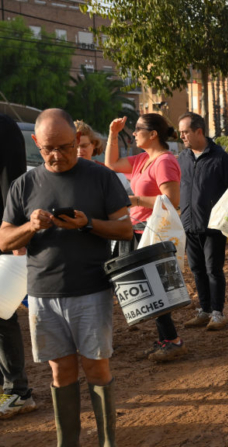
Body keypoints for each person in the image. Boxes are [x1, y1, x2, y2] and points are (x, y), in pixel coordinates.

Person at [0, 109, 132, 444]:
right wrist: (31, 226)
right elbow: (3, 239)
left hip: (91, 290)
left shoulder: (100, 177)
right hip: (43, 295)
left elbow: (126, 229)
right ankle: (67, 442)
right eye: (48, 149)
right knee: (60, 373)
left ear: (76, 141)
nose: (57, 155)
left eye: (64, 147)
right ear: (36, 144)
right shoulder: (24, 185)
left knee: (97, 369)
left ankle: (107, 442)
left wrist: (88, 223)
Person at [105, 114, 188, 362]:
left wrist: (136, 201)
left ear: (153, 134)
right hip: (137, 230)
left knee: (154, 288)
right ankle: (167, 339)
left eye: (138, 129)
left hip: (150, 233)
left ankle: (173, 341)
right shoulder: (143, 159)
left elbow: (173, 200)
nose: (133, 134)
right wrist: (112, 133)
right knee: (148, 289)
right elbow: (112, 164)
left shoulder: (164, 162)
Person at [177, 112, 228, 331]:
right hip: (189, 224)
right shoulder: (182, 158)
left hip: (213, 226)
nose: (181, 136)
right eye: (180, 132)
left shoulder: (220, 158)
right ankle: (204, 310)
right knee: (197, 269)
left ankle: (218, 313)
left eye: (185, 132)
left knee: (213, 269)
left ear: (199, 131)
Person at [0, 113, 35, 420]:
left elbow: (13, 184)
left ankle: (17, 390)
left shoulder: (4, 127)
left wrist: (17, 239)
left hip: (2, 236)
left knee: (2, 313)